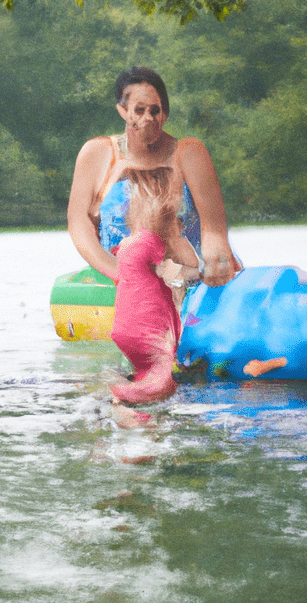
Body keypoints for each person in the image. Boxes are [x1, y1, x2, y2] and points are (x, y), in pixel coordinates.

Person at [67, 66, 240, 289]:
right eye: (139, 110)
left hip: (190, 275)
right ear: (122, 110)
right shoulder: (98, 153)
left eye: (155, 111)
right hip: (120, 277)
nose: (148, 118)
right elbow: (78, 223)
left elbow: (214, 228)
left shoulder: (189, 153)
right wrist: (119, 272)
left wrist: (217, 260)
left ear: (165, 114)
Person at [108, 167, 201, 405]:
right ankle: (128, 400)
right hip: (148, 331)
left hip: (125, 330)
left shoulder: (130, 245)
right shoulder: (161, 243)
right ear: (173, 224)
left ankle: (126, 401)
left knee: (146, 371)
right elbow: (192, 272)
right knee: (161, 382)